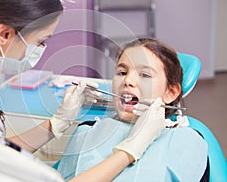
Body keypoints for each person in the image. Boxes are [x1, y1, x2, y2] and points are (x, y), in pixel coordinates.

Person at [0, 0, 167, 181]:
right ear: (4, 34)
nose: (40, 50)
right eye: (40, 41)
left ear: (171, 91)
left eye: (145, 75)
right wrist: (131, 149)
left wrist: (56, 124)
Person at [56, 38, 209, 181]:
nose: (128, 81)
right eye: (122, 73)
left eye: (145, 74)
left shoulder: (186, 141)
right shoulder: (86, 131)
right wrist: (56, 123)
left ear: (171, 93)